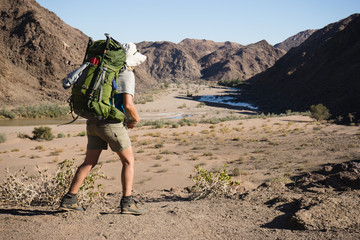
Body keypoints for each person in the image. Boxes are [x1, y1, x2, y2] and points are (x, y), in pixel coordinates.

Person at [60, 42, 147, 215]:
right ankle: (127, 202)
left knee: (89, 162)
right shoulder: (126, 74)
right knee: (128, 162)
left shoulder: (102, 70)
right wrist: (135, 119)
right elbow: (128, 105)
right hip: (111, 124)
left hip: (93, 121)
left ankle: (69, 199)